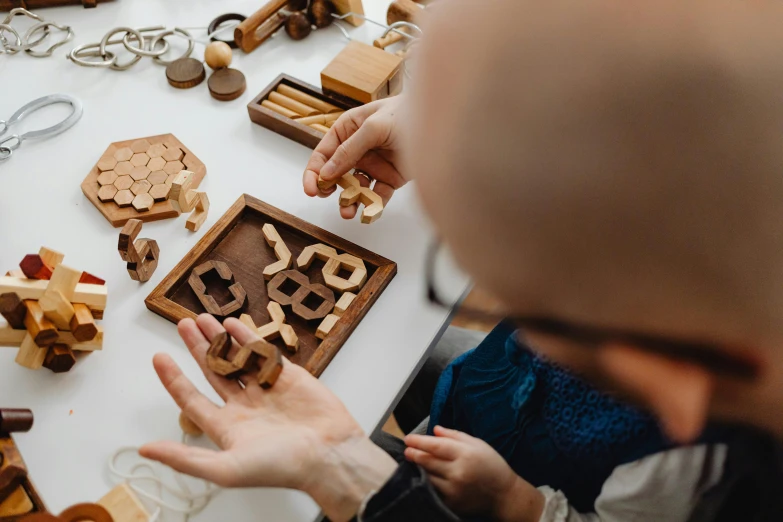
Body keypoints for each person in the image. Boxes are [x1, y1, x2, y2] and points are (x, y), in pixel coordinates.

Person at [139, 1, 783, 521]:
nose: (520, 320)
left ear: (674, 379)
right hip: (491, 404)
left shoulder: (695, 484)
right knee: (443, 365)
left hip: (532, 486)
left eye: (533, 303)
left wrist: (511, 504)